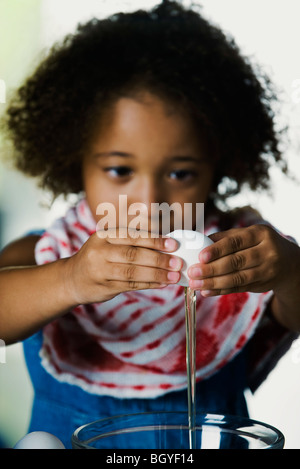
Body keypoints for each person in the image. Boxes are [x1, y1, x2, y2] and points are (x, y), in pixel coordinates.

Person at [0, 1, 299, 449]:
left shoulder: (243, 256)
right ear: (72, 161)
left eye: (180, 173)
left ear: (219, 164)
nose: (149, 201)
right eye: (120, 171)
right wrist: (71, 278)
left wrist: (292, 270)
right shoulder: (46, 254)